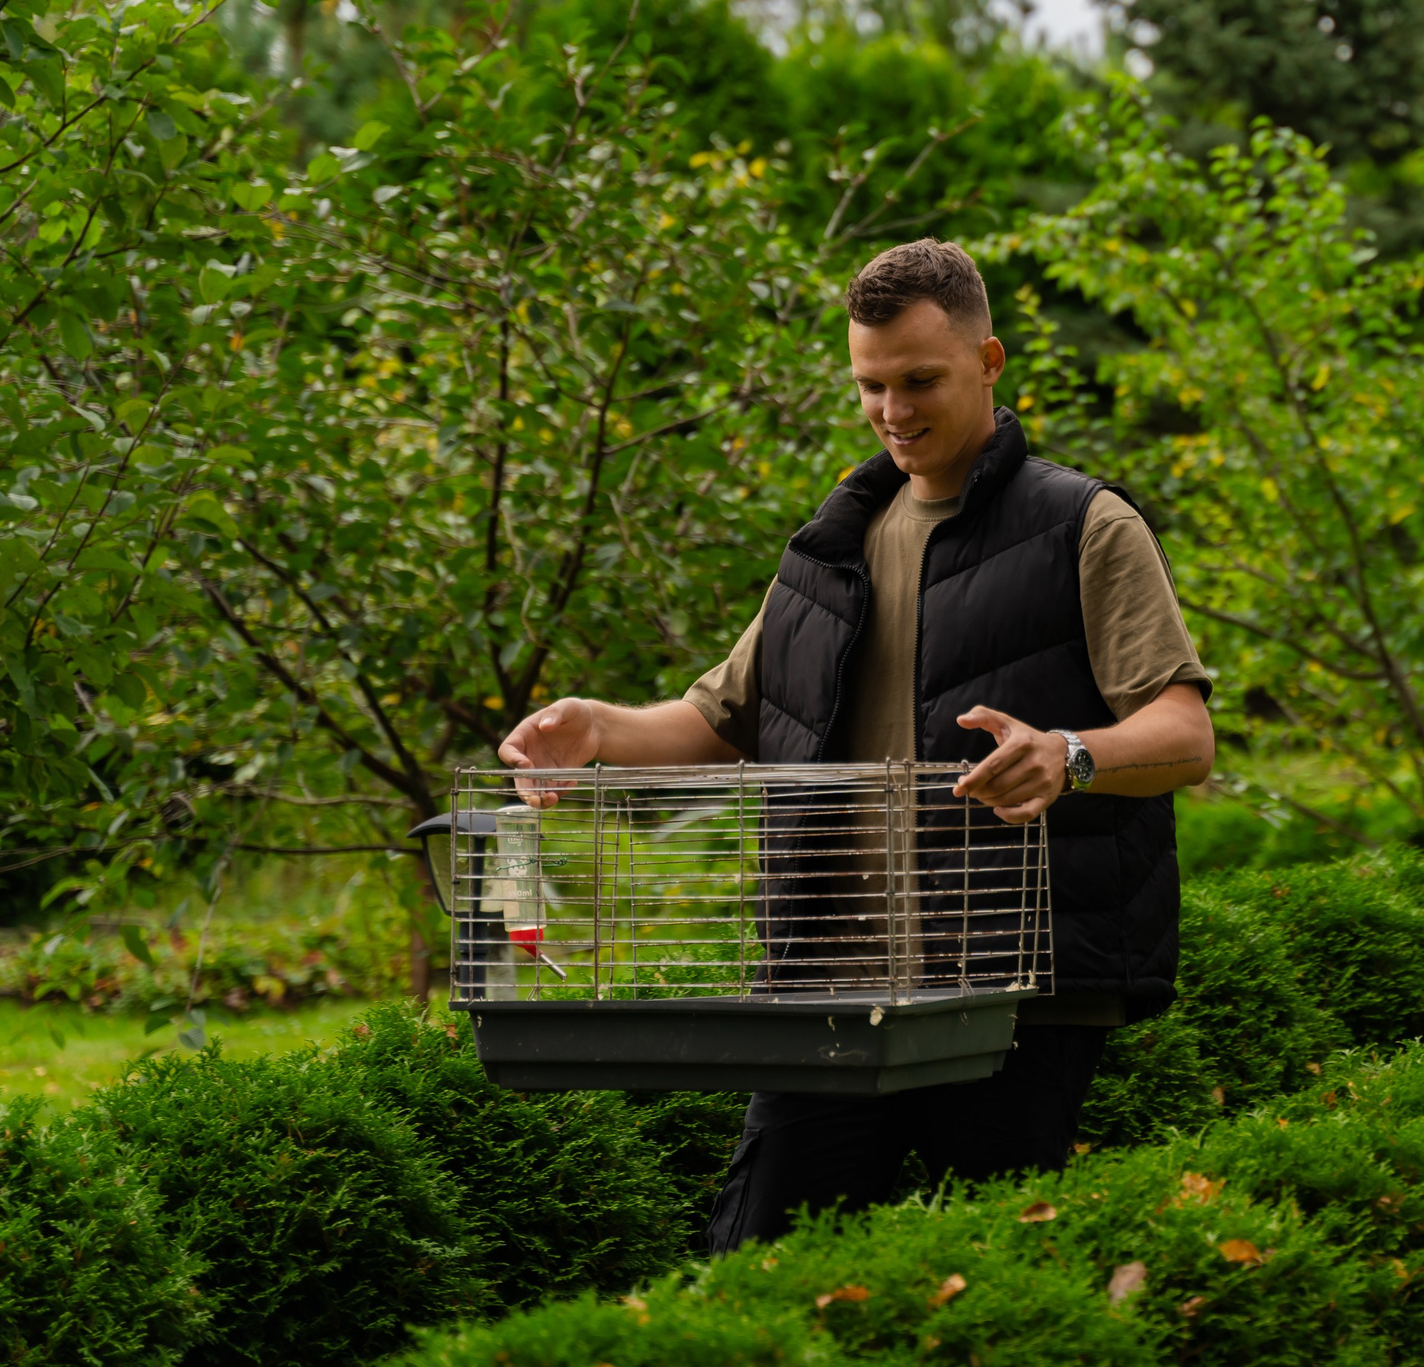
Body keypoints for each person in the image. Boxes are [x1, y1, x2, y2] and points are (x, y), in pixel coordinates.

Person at [495, 238, 1212, 1251]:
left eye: (920, 380)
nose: (893, 411)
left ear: (990, 361)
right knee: (751, 1261)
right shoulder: (828, 544)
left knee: (989, 1276)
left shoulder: (1082, 525)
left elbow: (1184, 730)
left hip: (1007, 992)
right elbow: (721, 721)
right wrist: (598, 726)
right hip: (828, 986)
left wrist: (1067, 752)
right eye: (869, 385)